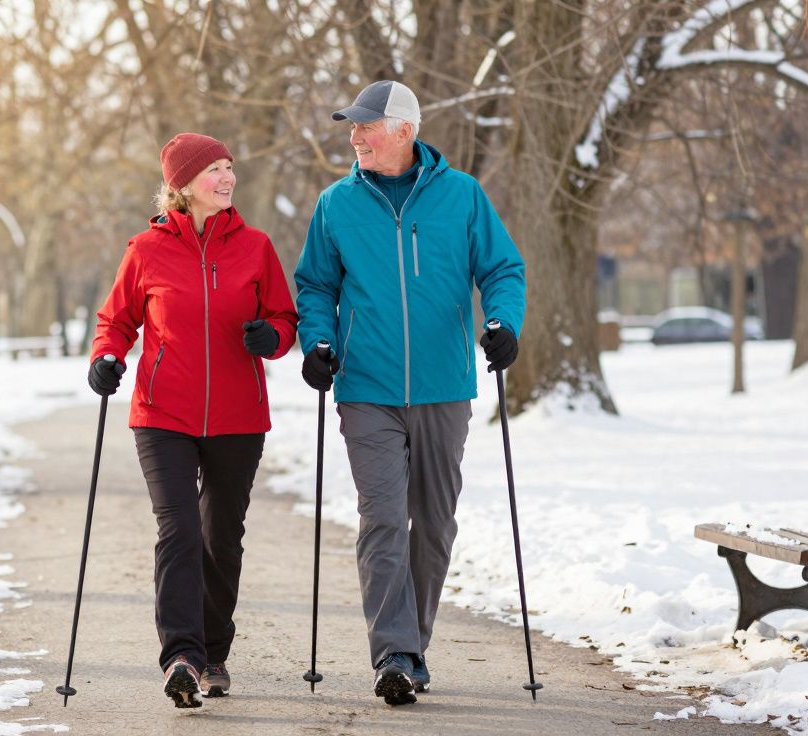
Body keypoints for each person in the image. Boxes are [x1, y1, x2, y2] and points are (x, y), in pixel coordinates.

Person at [294, 80, 526, 706]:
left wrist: (503, 322)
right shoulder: (336, 203)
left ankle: (411, 647)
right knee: (383, 518)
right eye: (353, 128)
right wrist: (316, 341)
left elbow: (502, 269)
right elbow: (314, 285)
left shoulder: (461, 197)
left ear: (403, 129)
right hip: (365, 386)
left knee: (434, 522)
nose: (355, 136)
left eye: (366, 126)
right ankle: (394, 651)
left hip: (442, 387)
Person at [88, 133, 298, 709]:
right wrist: (106, 358)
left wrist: (272, 336)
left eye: (230, 168)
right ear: (181, 185)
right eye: (214, 171)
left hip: (237, 416)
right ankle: (181, 654)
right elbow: (116, 321)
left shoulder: (254, 246)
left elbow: (284, 317)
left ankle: (213, 649)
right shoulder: (146, 249)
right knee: (177, 529)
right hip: (163, 414)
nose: (227, 179)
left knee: (220, 536)